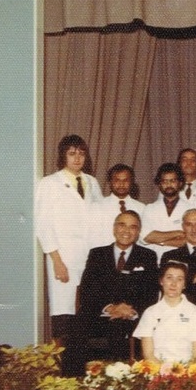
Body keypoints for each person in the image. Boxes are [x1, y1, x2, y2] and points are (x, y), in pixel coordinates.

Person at [35, 134, 102, 345]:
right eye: (72, 153)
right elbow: (43, 224)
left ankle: (81, 365)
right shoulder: (49, 183)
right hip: (63, 256)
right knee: (63, 313)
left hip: (89, 255)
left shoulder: (92, 182)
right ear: (63, 156)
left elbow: (100, 219)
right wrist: (56, 260)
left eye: (81, 154)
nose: (77, 158)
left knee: (86, 312)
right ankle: (58, 368)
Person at [74, 211, 159, 374]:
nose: (126, 231)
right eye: (122, 225)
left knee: (119, 329)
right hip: (101, 313)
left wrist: (130, 309)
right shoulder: (97, 254)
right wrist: (110, 307)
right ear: (114, 228)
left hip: (132, 316)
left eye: (133, 227)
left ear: (138, 232)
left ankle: (120, 381)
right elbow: (86, 289)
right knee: (76, 326)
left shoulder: (148, 256)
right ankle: (73, 382)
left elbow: (151, 293)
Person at [134, 261, 196, 364]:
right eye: (169, 278)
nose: (173, 284)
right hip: (156, 370)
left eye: (179, 279)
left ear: (184, 284)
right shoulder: (150, 312)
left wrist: (183, 372)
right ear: (161, 281)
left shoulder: (195, 312)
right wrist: (164, 371)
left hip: (187, 371)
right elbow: (148, 355)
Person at [141, 163, 194, 262]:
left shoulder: (190, 209)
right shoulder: (150, 208)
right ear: (159, 184)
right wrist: (177, 233)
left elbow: (189, 240)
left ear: (180, 183)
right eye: (164, 181)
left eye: (173, 181)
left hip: (181, 262)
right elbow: (146, 237)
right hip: (153, 262)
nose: (169, 185)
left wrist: (159, 241)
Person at [90, 163, 146, 248]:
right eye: (117, 180)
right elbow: (92, 238)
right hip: (104, 257)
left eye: (125, 180)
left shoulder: (142, 208)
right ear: (110, 182)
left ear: (132, 182)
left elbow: (144, 238)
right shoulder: (97, 207)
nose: (121, 184)